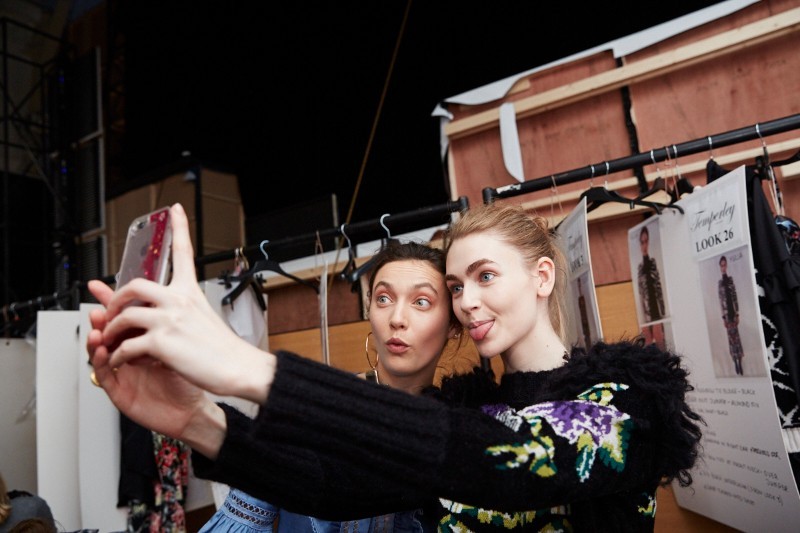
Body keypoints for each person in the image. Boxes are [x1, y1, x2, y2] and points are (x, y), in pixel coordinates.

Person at [87, 202, 703, 532]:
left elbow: (502, 460)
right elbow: (330, 488)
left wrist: (247, 367)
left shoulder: (624, 403)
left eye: (486, 276)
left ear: (543, 276)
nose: (468, 301)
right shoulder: (468, 409)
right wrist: (197, 419)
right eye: (457, 286)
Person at [199, 240, 463, 532]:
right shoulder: (310, 412)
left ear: (453, 324)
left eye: (421, 302)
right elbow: (242, 518)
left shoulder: (461, 436)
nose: (397, 319)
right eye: (383, 299)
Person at [718, 255, 744, 376]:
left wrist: (737, 313)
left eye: (724, 265)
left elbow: (735, 296)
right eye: (721, 265)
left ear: (726, 265)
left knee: (737, 338)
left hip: (733, 313)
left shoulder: (731, 280)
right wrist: (723, 317)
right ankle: (735, 362)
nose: (723, 267)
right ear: (720, 267)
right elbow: (720, 301)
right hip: (727, 316)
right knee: (731, 339)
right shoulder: (720, 283)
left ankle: (740, 361)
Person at [637, 225, 665, 323]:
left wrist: (663, 310)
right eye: (642, 242)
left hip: (657, 308)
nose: (644, 245)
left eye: (646, 241)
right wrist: (643, 317)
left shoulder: (653, 262)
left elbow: (659, 286)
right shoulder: (640, 268)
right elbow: (641, 293)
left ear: (648, 242)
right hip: (648, 313)